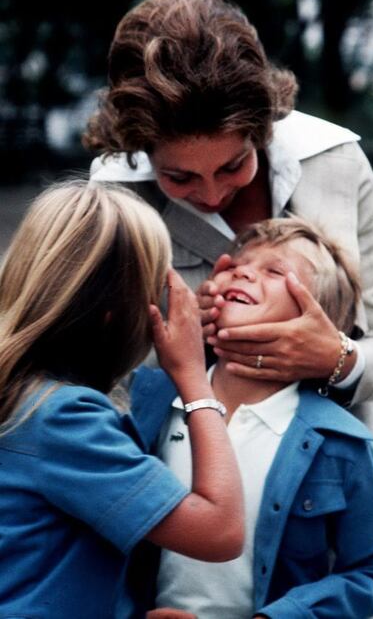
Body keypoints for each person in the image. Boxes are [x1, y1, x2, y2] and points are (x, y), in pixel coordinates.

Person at [84, 0, 373, 420]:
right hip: (175, 473)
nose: (212, 194)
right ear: (140, 151)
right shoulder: (113, 198)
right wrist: (169, 344)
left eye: (234, 165)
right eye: (179, 177)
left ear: (263, 127)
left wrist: (337, 358)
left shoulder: (336, 163)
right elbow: (89, 374)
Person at [129, 216, 373, 619]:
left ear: (315, 321)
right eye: (238, 266)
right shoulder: (143, 403)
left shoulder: (340, 443)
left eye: (274, 271)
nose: (243, 272)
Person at [0, 179, 244, 618]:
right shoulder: (63, 417)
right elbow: (219, 531)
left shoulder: (20, 393)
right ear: (118, 314)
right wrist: (193, 377)